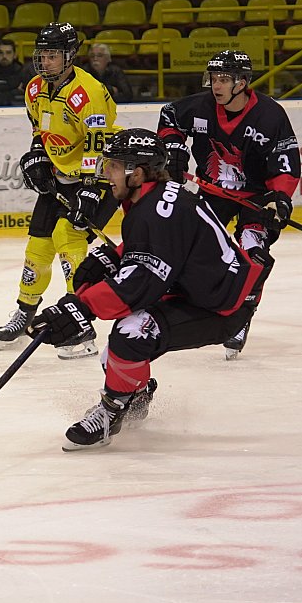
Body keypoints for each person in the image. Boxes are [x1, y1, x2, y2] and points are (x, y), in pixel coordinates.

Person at [31, 129, 262, 451]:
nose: (106, 174)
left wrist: (82, 309)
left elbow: (142, 281)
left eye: (113, 166)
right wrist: (113, 257)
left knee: (132, 333)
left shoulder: (155, 211)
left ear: (136, 173)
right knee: (115, 354)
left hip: (220, 306)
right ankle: (136, 394)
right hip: (198, 288)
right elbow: (159, 248)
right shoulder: (156, 198)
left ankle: (112, 411)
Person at [157, 50, 298, 356]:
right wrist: (173, 146)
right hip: (213, 192)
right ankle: (181, 301)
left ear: (242, 83)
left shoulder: (270, 115)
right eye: (213, 78)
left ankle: (242, 315)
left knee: (253, 252)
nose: (216, 85)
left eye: (223, 79)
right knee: (192, 246)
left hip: (256, 197)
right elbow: (170, 116)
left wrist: (280, 198)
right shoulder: (200, 106)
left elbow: (285, 163)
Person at [0, 22, 117, 358]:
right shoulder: (35, 88)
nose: (44, 61)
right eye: (42, 54)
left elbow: (97, 145)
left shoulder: (88, 93)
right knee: (37, 246)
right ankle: (25, 312)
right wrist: (38, 155)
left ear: (70, 55)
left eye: (52, 55)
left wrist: (90, 189)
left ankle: (80, 323)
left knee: (67, 236)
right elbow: (40, 129)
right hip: (61, 175)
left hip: (99, 176)